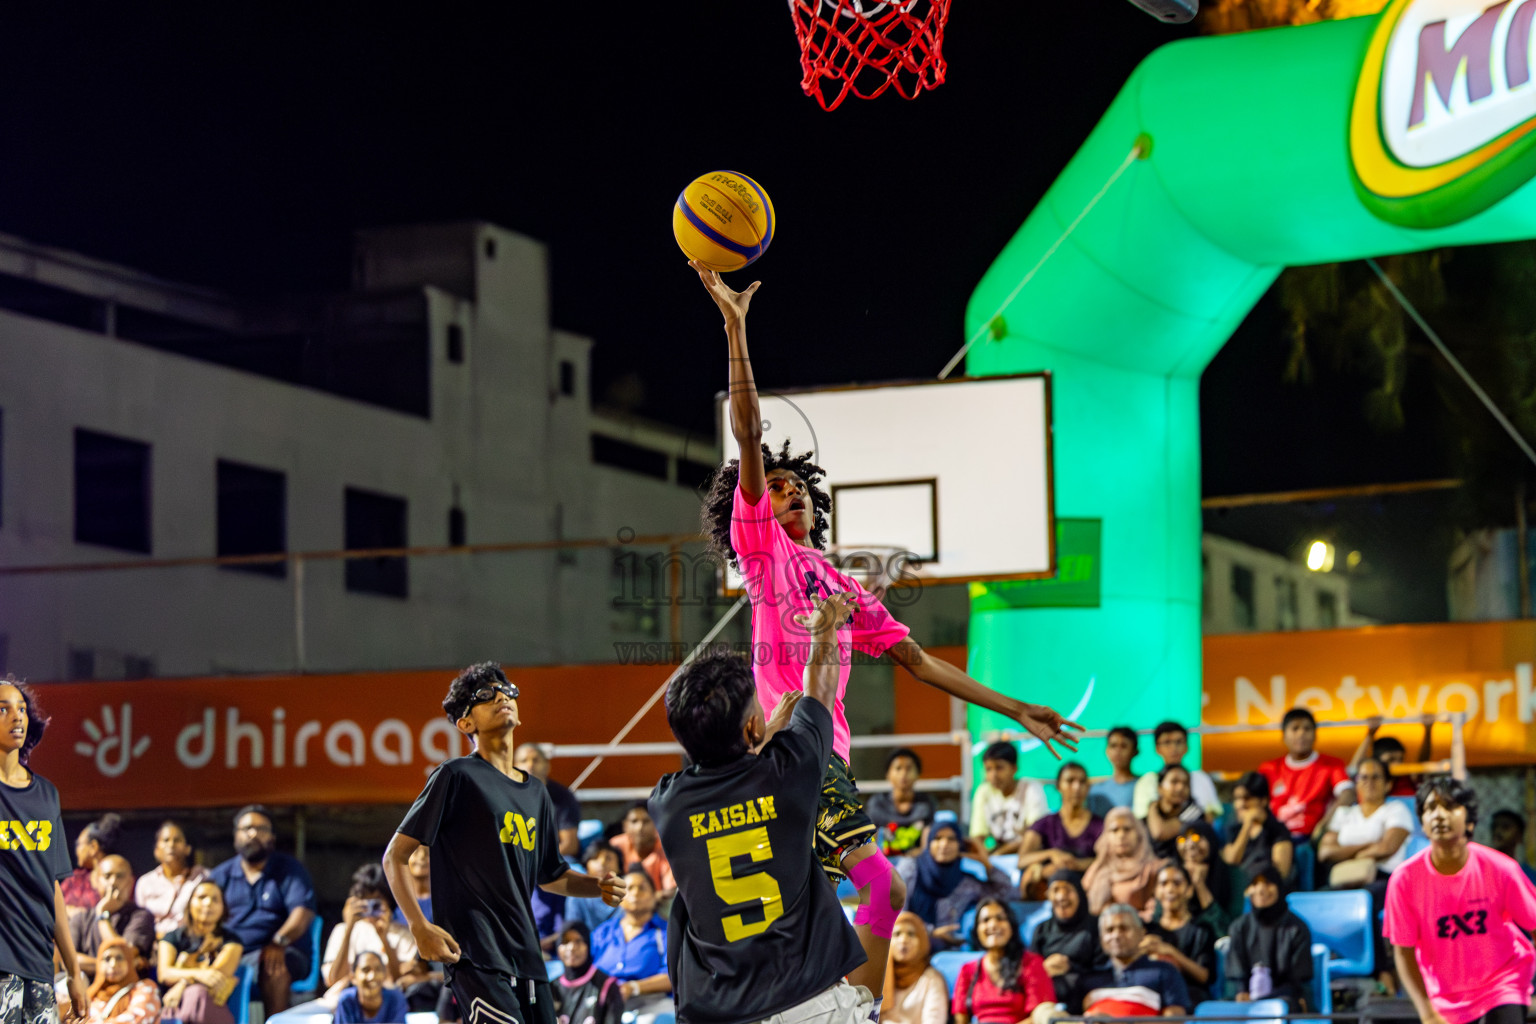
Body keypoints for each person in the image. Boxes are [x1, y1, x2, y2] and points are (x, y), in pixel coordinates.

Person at [694, 262, 1081, 1005]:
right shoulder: (764, 553)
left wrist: (1015, 708)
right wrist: (735, 325)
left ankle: (815, 1003)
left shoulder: (844, 586)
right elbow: (747, 429)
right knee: (882, 882)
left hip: (824, 755)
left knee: (840, 901)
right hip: (784, 750)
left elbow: (922, 662)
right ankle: (860, 1009)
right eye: (773, 485)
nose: (786, 490)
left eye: (796, 485)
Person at [646, 590, 875, 1024]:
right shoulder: (791, 771)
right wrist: (824, 627)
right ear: (752, 725)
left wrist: (763, 734)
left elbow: (726, 777)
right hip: (810, 1004)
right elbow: (820, 692)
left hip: (726, 1011)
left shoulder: (668, 803)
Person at [383, 663, 625, 1024]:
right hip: (476, 957)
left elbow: (551, 875)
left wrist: (598, 887)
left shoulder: (537, 793)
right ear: (466, 724)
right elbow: (395, 857)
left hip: (528, 959)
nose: (500, 696)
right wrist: (419, 925)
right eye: (485, 696)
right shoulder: (456, 776)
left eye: (506, 690)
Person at [1386, 777, 1536, 1024]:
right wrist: (1426, 1012)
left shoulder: (1502, 869)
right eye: (1431, 808)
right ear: (1422, 823)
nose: (1439, 815)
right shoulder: (1404, 880)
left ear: (1469, 821)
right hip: (1445, 997)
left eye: (1449, 806)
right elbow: (1403, 952)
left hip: (1503, 981)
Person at [0, 677, 88, 1024]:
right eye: (3, 709)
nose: (16, 717)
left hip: (38, 964)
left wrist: (74, 972)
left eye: (21, 708)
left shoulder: (46, 795)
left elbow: (51, 890)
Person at [208, 805, 316, 1016]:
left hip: (281, 950)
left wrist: (279, 941)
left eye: (261, 829)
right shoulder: (221, 875)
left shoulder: (289, 870)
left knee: (274, 965)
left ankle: (274, 1021)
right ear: (235, 835)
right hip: (231, 953)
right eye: (246, 828)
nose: (253, 834)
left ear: (272, 837)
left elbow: (303, 913)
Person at [1318, 757, 1411, 993]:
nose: (1369, 783)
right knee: (1319, 901)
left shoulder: (1396, 809)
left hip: (1386, 879)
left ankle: (1380, 970)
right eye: (1363, 777)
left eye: (1376, 777)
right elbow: (1325, 852)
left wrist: (1346, 853)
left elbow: (1387, 848)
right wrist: (1368, 847)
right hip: (1346, 881)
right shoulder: (1345, 814)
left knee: (1365, 901)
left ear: (1388, 784)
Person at [895, 820, 1013, 950]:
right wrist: (931, 932)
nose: (944, 844)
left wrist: (986, 862)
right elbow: (895, 912)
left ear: (960, 845)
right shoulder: (910, 868)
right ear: (929, 843)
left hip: (948, 950)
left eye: (951, 839)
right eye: (937, 838)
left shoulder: (965, 883)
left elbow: (1007, 894)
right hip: (908, 947)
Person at [322, 864, 421, 1000]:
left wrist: (383, 937)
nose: (369, 907)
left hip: (386, 1004)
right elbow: (333, 980)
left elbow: (400, 982)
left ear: (389, 900)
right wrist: (349, 928)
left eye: (376, 902)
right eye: (364, 900)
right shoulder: (341, 930)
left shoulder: (404, 935)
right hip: (343, 1002)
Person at [950, 899, 1054, 1024]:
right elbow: (961, 1018)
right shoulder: (967, 970)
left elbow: (1040, 1016)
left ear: (1012, 926)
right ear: (977, 930)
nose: (993, 925)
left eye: (1000, 918)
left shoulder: (1032, 963)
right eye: (985, 920)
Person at [1224, 863, 1312, 1008]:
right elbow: (1237, 975)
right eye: (1254, 883)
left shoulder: (1297, 928)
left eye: (1268, 883)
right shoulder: (1239, 927)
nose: (1261, 889)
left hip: (1286, 998)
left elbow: (1297, 981)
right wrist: (1242, 992)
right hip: (1247, 1000)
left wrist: (1263, 1000)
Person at [1076, 905, 1189, 1016]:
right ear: (1101, 939)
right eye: (1109, 930)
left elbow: (1174, 1020)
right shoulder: (1088, 978)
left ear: (1141, 933)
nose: (1116, 935)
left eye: (1124, 928)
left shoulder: (1164, 971)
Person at [157, 880, 244, 1024]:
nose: (208, 903)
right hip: (175, 1004)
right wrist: (199, 973)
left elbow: (215, 976)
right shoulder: (172, 937)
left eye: (215, 899)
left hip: (213, 1006)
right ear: (190, 903)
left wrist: (182, 983)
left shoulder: (232, 941)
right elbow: (164, 973)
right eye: (201, 897)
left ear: (223, 908)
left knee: (197, 993)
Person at [589, 871, 670, 1024]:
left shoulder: (665, 933)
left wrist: (633, 987)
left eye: (642, 888)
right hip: (603, 1002)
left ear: (654, 896)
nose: (635, 893)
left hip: (649, 1004)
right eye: (630, 888)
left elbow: (673, 978)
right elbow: (586, 971)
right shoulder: (603, 932)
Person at [1258, 708, 1352, 839]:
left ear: (1315, 734)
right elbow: (1255, 802)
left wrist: (1323, 825)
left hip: (1313, 837)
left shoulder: (1332, 765)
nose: (1301, 733)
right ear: (1284, 736)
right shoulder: (1269, 768)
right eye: (1295, 728)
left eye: (1307, 729)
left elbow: (1347, 795)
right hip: (1275, 837)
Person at [1018, 762, 1101, 898]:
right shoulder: (1044, 823)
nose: (1076, 787)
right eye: (1070, 781)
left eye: (1082, 782)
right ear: (1058, 786)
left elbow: (1111, 860)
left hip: (1089, 894)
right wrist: (1051, 854)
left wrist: (1077, 865)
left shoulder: (1099, 825)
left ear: (1088, 787)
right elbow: (1022, 860)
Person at [1141, 863, 1216, 1006]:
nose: (1170, 889)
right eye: (1163, 884)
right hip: (1153, 993)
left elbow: (1204, 976)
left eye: (1177, 883)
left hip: (1190, 994)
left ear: (1189, 890)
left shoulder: (1201, 929)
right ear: (1156, 891)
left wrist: (1171, 952)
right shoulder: (1147, 930)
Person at [68, 856, 155, 976]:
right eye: (107, 876)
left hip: (127, 990)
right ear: (97, 881)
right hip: (86, 987)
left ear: (130, 882)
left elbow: (123, 954)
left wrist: (102, 914)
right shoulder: (80, 919)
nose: (113, 882)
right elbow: (69, 961)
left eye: (119, 876)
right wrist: (116, 966)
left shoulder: (141, 916)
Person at [1031, 870, 1101, 1010]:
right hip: (1047, 1001)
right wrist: (1043, 969)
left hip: (1086, 1001)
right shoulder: (1041, 929)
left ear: (1080, 894)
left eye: (1068, 890)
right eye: (1056, 890)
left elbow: (1105, 972)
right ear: (1048, 896)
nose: (1062, 896)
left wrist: (1071, 968)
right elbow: (1030, 972)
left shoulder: (1096, 926)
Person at [968, 742, 1050, 856]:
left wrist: (999, 853)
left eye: (999, 768)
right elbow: (977, 837)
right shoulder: (983, 792)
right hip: (999, 856)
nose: (993, 775)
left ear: (1014, 768)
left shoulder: (1030, 788)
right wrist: (986, 860)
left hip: (1029, 855)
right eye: (988, 769)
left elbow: (1034, 836)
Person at [1082, 808, 1165, 915]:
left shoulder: (1154, 869)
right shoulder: (1097, 870)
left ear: (1138, 833)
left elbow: (1156, 911)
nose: (1121, 835)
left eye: (1127, 829)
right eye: (1114, 830)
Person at [134, 821, 208, 939]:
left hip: (190, 943)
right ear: (156, 851)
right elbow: (140, 922)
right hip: (154, 946)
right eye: (166, 840)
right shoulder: (145, 883)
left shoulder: (202, 877)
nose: (171, 845)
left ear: (187, 849)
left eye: (177, 840)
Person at [1132, 723, 1221, 821]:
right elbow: (1143, 820)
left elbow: (1209, 819)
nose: (1173, 748)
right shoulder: (1148, 781)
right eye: (1167, 742)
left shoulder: (1200, 778)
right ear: (1157, 748)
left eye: (1178, 742)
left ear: (1187, 746)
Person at [1221, 772, 1294, 886]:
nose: (1240, 804)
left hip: (1266, 890)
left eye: (1247, 798)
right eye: (1237, 798)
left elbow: (1281, 873)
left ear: (1263, 800)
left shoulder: (1277, 830)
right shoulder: (1233, 829)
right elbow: (1231, 861)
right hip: (1239, 890)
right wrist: (1247, 826)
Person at [513, 743, 582, 859]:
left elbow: (570, 845)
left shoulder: (563, 797)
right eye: (524, 760)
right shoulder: (505, 795)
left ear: (547, 766)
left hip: (554, 859)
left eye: (535, 760)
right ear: (514, 767)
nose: (530, 765)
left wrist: (537, 860)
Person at [866, 748, 935, 858]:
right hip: (883, 863)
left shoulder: (926, 804)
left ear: (918, 774)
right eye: (898, 768)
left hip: (916, 862)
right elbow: (870, 844)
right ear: (888, 774)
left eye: (909, 768)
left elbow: (926, 847)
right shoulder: (877, 803)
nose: (903, 774)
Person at [551, 921, 622, 1024]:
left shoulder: (607, 985)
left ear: (588, 945)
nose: (571, 948)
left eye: (578, 941)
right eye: (565, 942)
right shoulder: (552, 987)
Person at [882, 913, 947, 1024]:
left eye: (911, 934)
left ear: (922, 941)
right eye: (897, 934)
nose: (903, 940)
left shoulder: (932, 979)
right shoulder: (880, 977)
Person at [1348, 715, 1432, 798]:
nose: (1397, 764)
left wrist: (1428, 730)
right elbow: (1353, 770)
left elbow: (1422, 765)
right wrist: (1370, 735)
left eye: (1400, 759)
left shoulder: (1406, 778)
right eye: (1390, 759)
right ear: (1376, 761)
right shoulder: (1370, 782)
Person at [1173, 826, 1234, 936]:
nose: (1190, 844)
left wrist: (1200, 885)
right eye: (1182, 839)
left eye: (1196, 837)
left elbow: (1225, 933)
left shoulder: (1231, 875)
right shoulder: (1170, 878)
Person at [83, 939, 159, 1024]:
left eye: (119, 958)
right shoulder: (90, 995)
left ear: (129, 962)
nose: (113, 964)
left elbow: (137, 1019)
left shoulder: (145, 988)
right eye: (107, 959)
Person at [606, 804, 675, 898]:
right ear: (625, 826)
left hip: (656, 906)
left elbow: (670, 892)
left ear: (657, 824)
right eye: (634, 821)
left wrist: (640, 899)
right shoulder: (616, 845)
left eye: (646, 821)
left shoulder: (666, 848)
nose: (640, 827)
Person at [1142, 765, 1205, 862]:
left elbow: (1159, 833)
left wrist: (1152, 807)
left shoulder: (1194, 812)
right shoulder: (1148, 816)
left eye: (1186, 784)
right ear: (1160, 788)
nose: (1180, 788)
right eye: (1174, 782)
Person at [64, 815, 123, 913]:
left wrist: (80, 915)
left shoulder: (120, 880)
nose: (76, 850)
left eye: (79, 844)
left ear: (93, 847)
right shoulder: (75, 879)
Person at [334, 951, 408, 1024]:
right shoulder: (346, 1000)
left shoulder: (396, 999)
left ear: (385, 974)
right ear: (353, 977)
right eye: (365, 970)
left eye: (378, 969)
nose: (372, 976)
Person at [565, 842, 622, 933]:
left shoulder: (628, 892)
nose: (602, 863)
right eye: (595, 858)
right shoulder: (577, 895)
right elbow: (573, 929)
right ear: (586, 865)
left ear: (619, 867)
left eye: (608, 858)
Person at [1087, 728, 1139, 817]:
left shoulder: (1143, 785)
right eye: (1113, 746)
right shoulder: (1095, 790)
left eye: (1124, 746)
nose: (1118, 751)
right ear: (1107, 751)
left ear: (1135, 752)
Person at [1489, 809, 1536, 886]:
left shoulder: (1529, 876)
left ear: (1519, 836)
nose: (1497, 832)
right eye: (1494, 827)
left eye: (1505, 827)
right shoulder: (1484, 873)